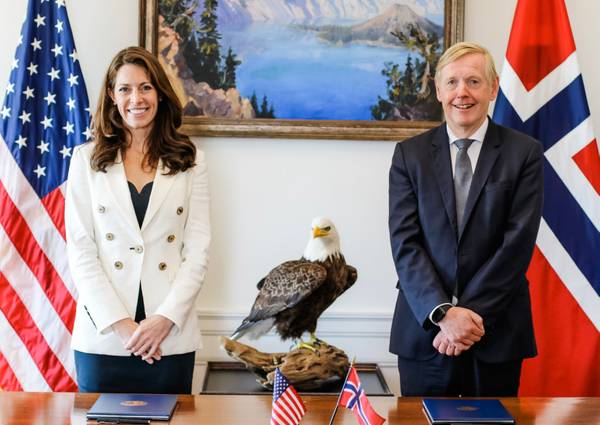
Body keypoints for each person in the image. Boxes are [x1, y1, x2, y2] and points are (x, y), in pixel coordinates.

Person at [388, 42, 543, 397]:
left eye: (474, 81)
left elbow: (517, 244)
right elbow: (405, 243)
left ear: (493, 88)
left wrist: (469, 317)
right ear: (439, 89)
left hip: (496, 330)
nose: (463, 92)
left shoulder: (524, 153)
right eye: (453, 82)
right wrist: (444, 313)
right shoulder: (409, 155)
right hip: (425, 330)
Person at [65, 46, 210, 394]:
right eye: (125, 89)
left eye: (145, 87)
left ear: (159, 93)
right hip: (105, 339)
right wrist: (123, 328)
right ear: (112, 97)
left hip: (169, 338)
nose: (136, 98)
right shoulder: (86, 160)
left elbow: (199, 252)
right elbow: (81, 250)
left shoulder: (192, 161)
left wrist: (163, 320)